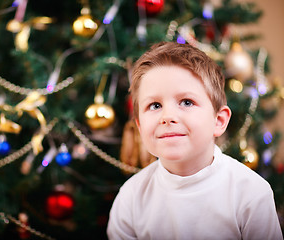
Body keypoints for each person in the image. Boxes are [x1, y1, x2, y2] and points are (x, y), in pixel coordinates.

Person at [107, 41, 283, 240]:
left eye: (187, 102)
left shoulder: (251, 193)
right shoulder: (130, 198)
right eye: (155, 105)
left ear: (218, 121)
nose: (167, 116)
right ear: (139, 126)